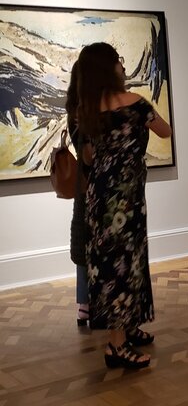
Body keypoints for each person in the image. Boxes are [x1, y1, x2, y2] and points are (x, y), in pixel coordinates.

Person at [76, 42, 172, 369]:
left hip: (99, 196)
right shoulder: (136, 103)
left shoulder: (87, 111)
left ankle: (128, 327)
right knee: (125, 264)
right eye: (118, 60)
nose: (122, 64)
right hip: (126, 199)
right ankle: (116, 346)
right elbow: (165, 131)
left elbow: (88, 158)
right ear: (110, 68)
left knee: (109, 264)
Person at [65, 61, 91, 327]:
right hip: (91, 185)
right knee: (87, 243)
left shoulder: (74, 109)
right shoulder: (82, 113)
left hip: (83, 187)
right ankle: (87, 303)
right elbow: (89, 156)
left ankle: (84, 304)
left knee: (84, 242)